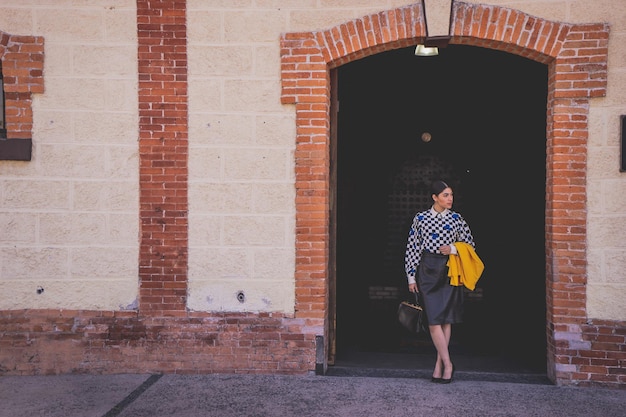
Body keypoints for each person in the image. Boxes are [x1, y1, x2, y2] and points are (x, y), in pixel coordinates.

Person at [404, 180, 476, 384]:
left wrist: (453, 249)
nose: (450, 199)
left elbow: (470, 243)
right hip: (427, 271)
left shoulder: (456, 218)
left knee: (445, 319)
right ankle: (449, 363)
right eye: (445, 195)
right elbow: (412, 248)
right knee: (433, 320)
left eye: (451, 194)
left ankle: (439, 366)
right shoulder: (421, 218)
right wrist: (411, 276)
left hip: (449, 270)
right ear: (434, 197)